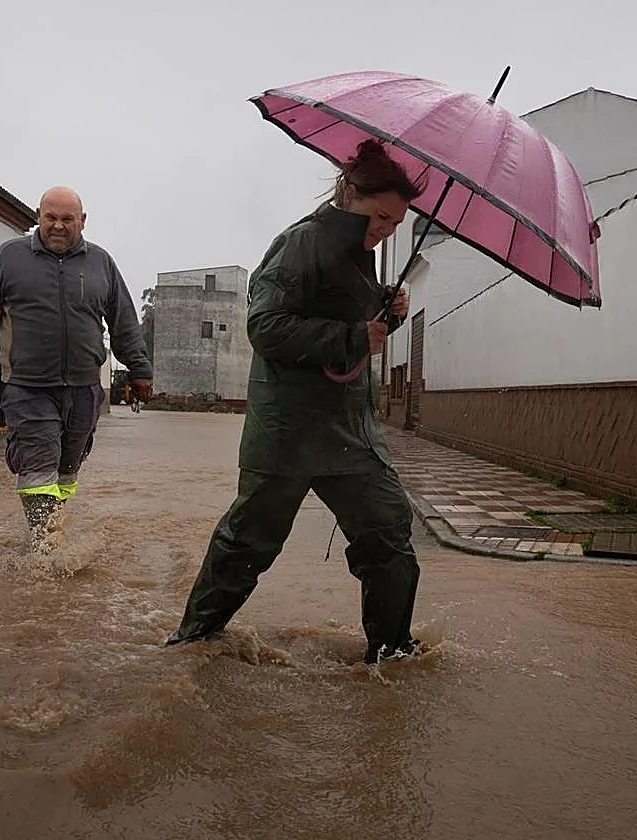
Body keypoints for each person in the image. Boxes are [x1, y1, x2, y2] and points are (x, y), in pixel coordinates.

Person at [165, 140, 423, 664]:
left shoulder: (359, 257)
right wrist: (355, 336)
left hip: (348, 431)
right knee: (249, 542)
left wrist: (386, 312)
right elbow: (266, 326)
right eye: (380, 216)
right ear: (349, 193)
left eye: (396, 224)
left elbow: (346, 325)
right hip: (287, 431)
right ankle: (192, 644)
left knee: (388, 529)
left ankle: (394, 653)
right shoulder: (301, 243)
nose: (385, 230)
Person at [0, 186, 153, 551]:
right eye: (50, 218)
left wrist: (139, 370)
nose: (57, 226)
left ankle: (50, 526)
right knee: (38, 465)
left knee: (66, 470)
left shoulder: (101, 263)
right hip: (27, 387)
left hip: (84, 389)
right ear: (38, 216)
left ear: (82, 221)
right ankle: (46, 554)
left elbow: (123, 321)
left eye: (67, 219)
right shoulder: (11, 257)